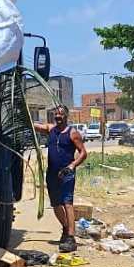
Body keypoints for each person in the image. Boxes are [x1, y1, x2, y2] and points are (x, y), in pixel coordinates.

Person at [34, 106, 87, 251]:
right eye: (56, 114)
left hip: (66, 173)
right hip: (52, 174)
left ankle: (71, 238)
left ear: (66, 116)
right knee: (56, 204)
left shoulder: (73, 133)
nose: (58, 116)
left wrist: (72, 165)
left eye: (61, 114)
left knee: (67, 203)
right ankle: (65, 228)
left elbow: (83, 153)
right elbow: (37, 126)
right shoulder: (51, 130)